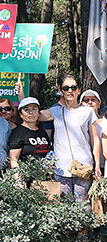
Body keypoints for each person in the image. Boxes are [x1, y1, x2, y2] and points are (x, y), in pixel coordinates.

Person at [30, 73, 102, 203]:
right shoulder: (56, 111)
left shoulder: (88, 112)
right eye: (66, 88)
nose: (70, 91)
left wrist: (97, 165)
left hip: (83, 166)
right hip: (61, 167)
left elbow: (95, 140)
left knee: (84, 206)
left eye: (73, 87)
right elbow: (32, 115)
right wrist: (21, 97)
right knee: (64, 207)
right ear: (60, 90)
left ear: (79, 90)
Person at [8, 97, 52, 167]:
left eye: (34, 109)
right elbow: (13, 159)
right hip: (27, 175)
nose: (31, 112)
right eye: (26, 110)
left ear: (38, 113)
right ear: (21, 114)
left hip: (44, 175)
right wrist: (16, 174)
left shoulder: (43, 132)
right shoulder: (17, 132)